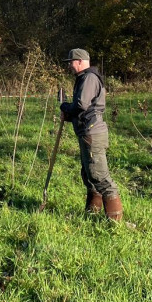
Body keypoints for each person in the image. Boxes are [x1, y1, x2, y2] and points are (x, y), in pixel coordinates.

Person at [60, 49, 123, 221]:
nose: (69, 65)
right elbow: (85, 108)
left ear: (79, 61)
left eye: (71, 62)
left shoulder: (89, 78)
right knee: (89, 174)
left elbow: (81, 104)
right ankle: (91, 214)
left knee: (99, 176)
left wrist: (65, 107)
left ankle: (115, 223)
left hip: (92, 133)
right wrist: (70, 115)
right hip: (87, 131)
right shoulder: (85, 78)